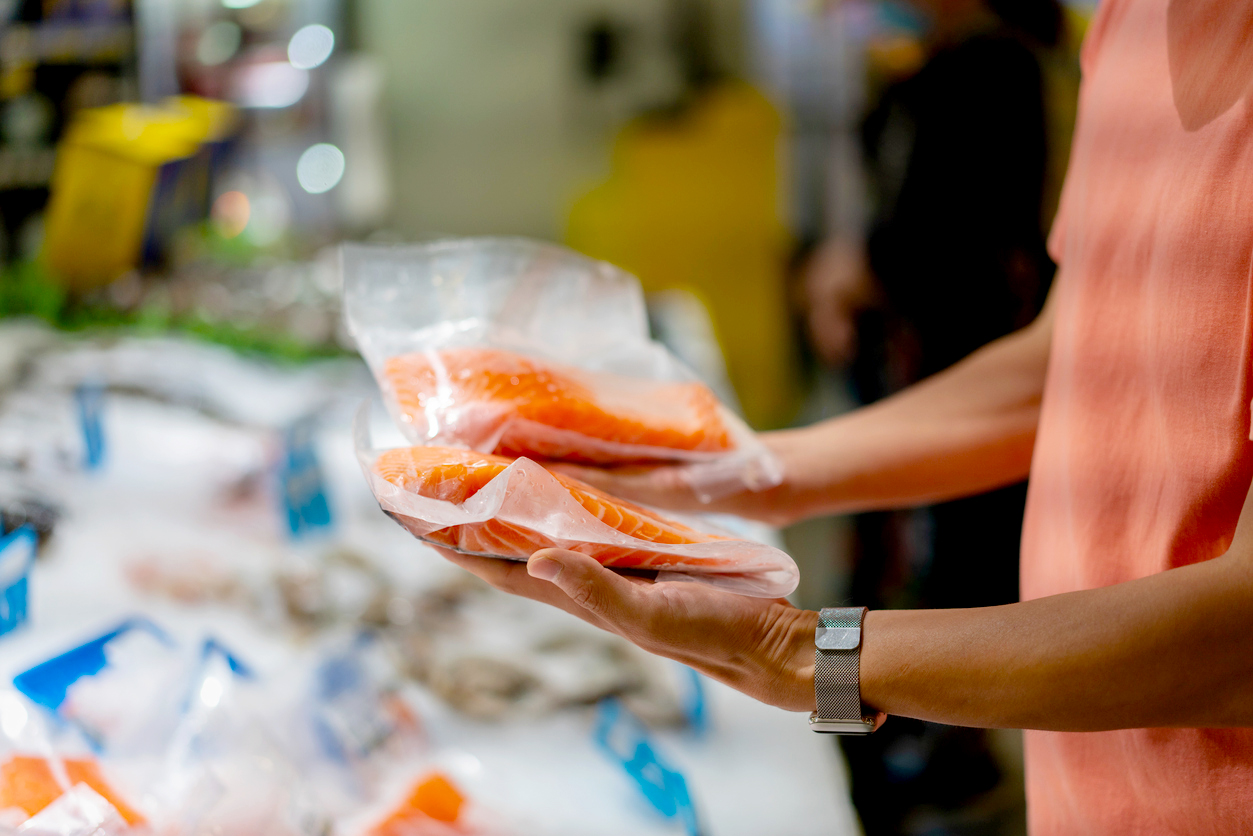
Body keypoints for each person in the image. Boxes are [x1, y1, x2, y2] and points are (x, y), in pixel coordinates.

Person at [437, 1, 1253, 832]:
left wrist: (794, 654)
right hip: (1082, 788)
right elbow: (1069, 360)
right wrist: (728, 471)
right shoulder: (1133, 23)